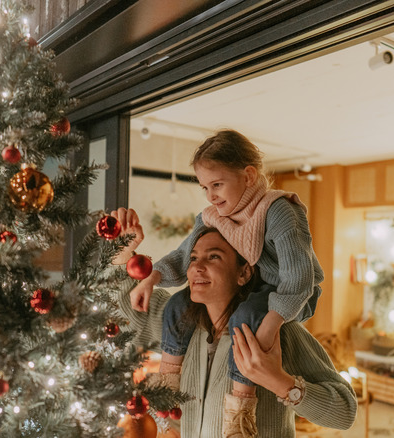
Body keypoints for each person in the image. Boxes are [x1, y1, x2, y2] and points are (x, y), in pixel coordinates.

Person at [129, 129, 324, 436]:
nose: (211, 195)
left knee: (246, 320)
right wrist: (151, 278)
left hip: (286, 293)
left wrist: (270, 327)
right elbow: (183, 256)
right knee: (180, 302)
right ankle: (167, 389)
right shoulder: (212, 216)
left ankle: (239, 414)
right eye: (205, 187)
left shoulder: (279, 211)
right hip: (250, 291)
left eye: (217, 184)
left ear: (248, 176)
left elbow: (300, 278)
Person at [110, 208, 356, 438]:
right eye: (193, 258)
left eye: (214, 257)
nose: (197, 267)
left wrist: (279, 381)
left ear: (244, 273)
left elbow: (345, 412)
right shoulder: (181, 323)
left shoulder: (274, 332)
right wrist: (123, 254)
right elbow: (127, 312)